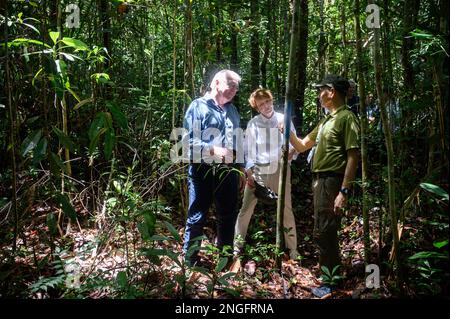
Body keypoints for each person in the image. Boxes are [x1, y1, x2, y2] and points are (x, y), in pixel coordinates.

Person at [285, 74, 360, 295]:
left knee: (325, 231)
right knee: (322, 230)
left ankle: (332, 281)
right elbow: (301, 146)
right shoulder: (326, 120)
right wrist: (286, 128)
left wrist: (344, 191)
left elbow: (353, 156)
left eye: (321, 90)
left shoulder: (347, 118)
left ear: (332, 91)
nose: (319, 95)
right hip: (319, 181)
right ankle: (329, 276)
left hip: (332, 180)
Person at [182, 69, 246, 267]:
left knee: (228, 215)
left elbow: (238, 141)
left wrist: (242, 168)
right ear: (216, 83)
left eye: (236, 88)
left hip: (229, 172)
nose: (234, 90)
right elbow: (188, 144)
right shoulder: (198, 107)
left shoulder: (233, 111)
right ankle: (190, 261)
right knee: (197, 216)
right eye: (231, 85)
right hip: (203, 171)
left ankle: (224, 261)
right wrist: (213, 150)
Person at [233, 88, 299, 261]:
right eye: (261, 104)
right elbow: (247, 150)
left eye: (267, 101)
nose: (266, 106)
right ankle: (236, 249)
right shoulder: (253, 123)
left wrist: (290, 153)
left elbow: (295, 145)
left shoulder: (283, 118)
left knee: (286, 209)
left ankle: (293, 250)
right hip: (258, 171)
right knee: (245, 209)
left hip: (281, 169)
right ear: (257, 107)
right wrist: (249, 172)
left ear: (272, 100)